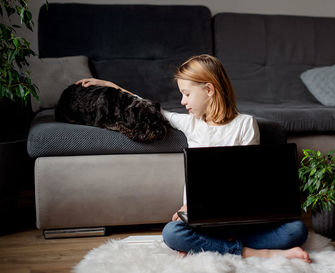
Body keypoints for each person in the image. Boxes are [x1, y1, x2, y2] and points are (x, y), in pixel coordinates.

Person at [76, 54, 311, 263]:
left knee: (296, 230)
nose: (182, 101)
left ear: (209, 90)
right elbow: (146, 106)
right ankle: (255, 253)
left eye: (186, 94)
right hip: (202, 219)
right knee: (172, 233)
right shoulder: (191, 124)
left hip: (241, 219)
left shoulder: (245, 124)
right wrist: (110, 86)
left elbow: (247, 180)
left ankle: (215, 245)